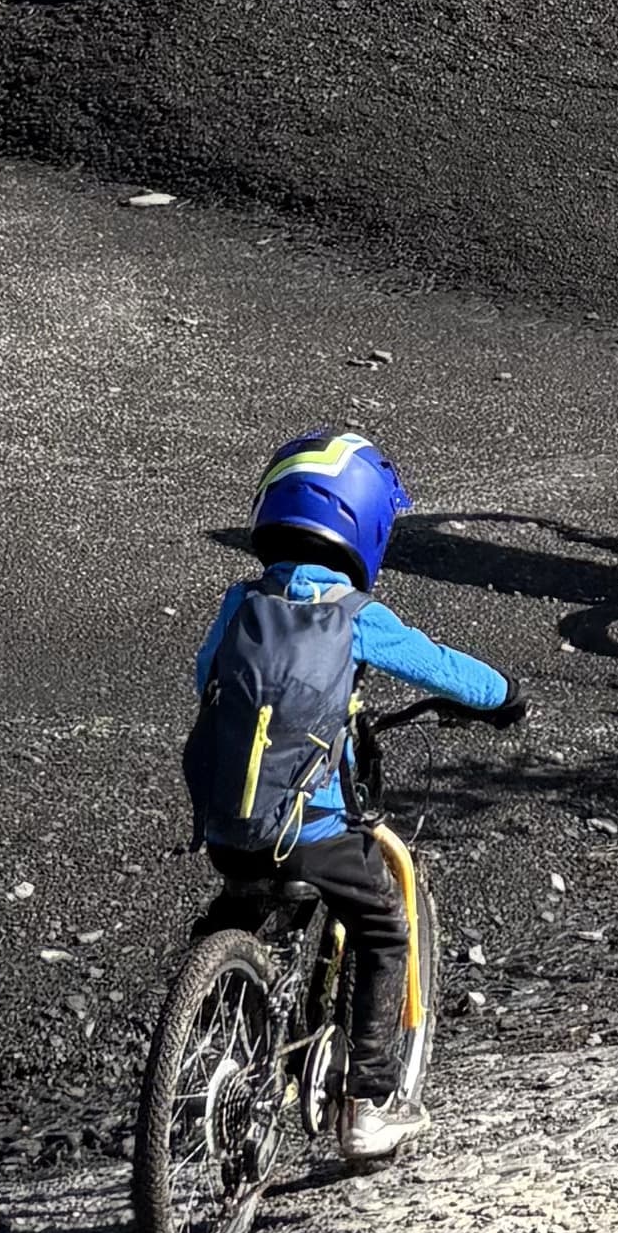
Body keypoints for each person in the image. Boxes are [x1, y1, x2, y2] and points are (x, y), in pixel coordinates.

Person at [182, 432, 515, 1168]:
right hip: (316, 829)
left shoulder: (240, 603)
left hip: (232, 824)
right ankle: (366, 1106)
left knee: (239, 907)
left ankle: (194, 1055)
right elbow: (445, 670)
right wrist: (504, 696)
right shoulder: (353, 612)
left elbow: (207, 679)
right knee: (382, 927)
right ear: (364, 525)